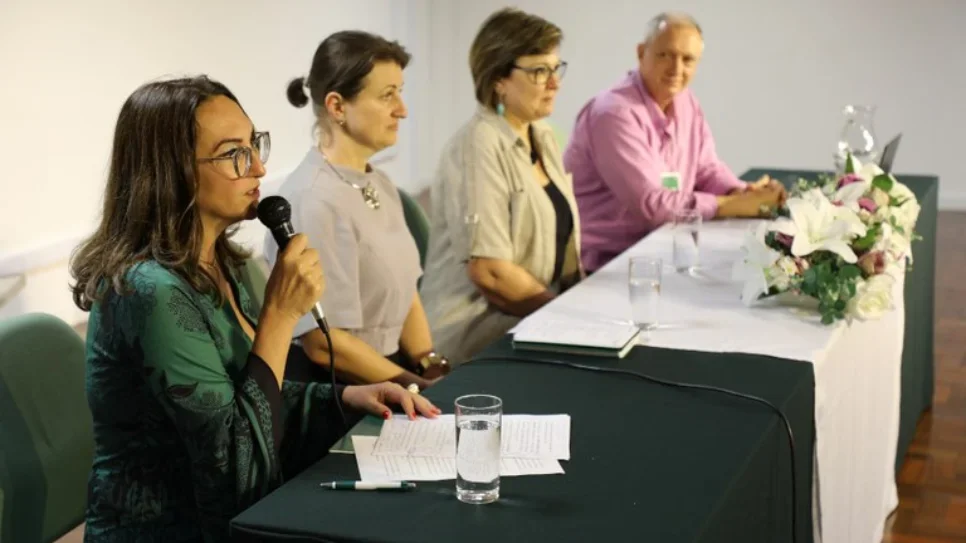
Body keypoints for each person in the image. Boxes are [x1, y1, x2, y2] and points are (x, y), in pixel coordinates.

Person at [70, 76, 439, 542]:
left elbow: (255, 398)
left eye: (255, 144)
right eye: (233, 154)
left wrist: (346, 397)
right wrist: (281, 316)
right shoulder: (148, 291)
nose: (259, 168)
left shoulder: (224, 262)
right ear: (173, 170)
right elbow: (233, 469)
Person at [269, 31, 450, 392]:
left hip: (392, 373)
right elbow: (324, 343)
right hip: (340, 391)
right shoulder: (313, 199)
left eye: (400, 92)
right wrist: (414, 385)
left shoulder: (376, 181)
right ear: (337, 107)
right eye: (388, 96)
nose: (402, 109)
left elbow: (406, 293)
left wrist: (430, 365)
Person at [564, 12, 787, 273]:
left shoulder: (686, 102)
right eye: (665, 55)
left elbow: (706, 169)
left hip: (662, 250)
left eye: (688, 59)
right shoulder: (613, 113)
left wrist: (743, 193)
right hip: (603, 267)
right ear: (641, 53)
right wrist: (730, 205)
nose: (676, 69)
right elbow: (652, 205)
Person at [420, 8, 582, 363]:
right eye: (540, 71)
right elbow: (490, 272)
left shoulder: (541, 134)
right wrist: (567, 317)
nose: (555, 82)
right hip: (478, 335)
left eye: (556, 69)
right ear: (498, 79)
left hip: (533, 320)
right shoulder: (478, 144)